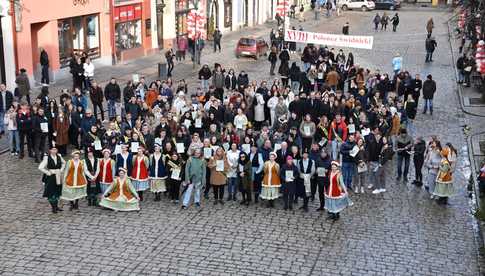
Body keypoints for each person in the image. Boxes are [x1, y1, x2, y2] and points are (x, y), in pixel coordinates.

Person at [39, 146, 66, 213]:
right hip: (50, 177)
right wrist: (48, 172)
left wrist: (61, 170)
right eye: (53, 149)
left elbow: (64, 163)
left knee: (57, 191)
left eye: (55, 149)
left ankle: (56, 207)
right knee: (51, 192)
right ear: (50, 150)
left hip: (58, 176)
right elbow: (40, 167)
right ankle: (53, 207)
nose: (54, 151)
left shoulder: (59, 156)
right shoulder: (47, 158)